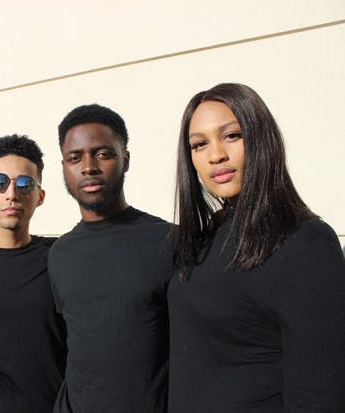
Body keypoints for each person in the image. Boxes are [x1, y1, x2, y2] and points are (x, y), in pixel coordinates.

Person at [168, 83, 345, 412]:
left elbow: (321, 391)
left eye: (232, 135)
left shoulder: (306, 242)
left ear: (261, 138)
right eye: (199, 144)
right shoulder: (205, 237)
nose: (216, 155)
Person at [49, 104, 172, 413]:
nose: (88, 167)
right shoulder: (60, 254)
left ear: (125, 159)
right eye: (75, 158)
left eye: (103, 154)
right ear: (63, 166)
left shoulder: (169, 241)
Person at [0, 134, 67, 413]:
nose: (11, 194)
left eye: (24, 184)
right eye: (0, 182)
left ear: (40, 196)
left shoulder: (61, 257)